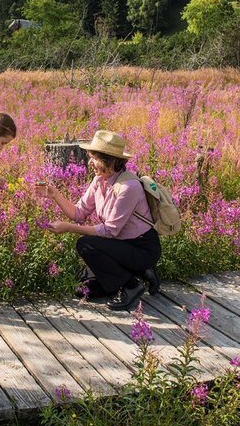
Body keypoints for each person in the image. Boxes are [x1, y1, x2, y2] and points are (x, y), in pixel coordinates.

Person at [36, 130, 161, 311]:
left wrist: (68, 228)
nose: (90, 162)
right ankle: (138, 273)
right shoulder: (99, 180)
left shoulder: (129, 187)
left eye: (93, 158)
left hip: (142, 248)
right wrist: (54, 194)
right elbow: (79, 213)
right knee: (84, 289)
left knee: (86, 244)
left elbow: (110, 231)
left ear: (108, 160)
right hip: (122, 245)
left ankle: (131, 286)